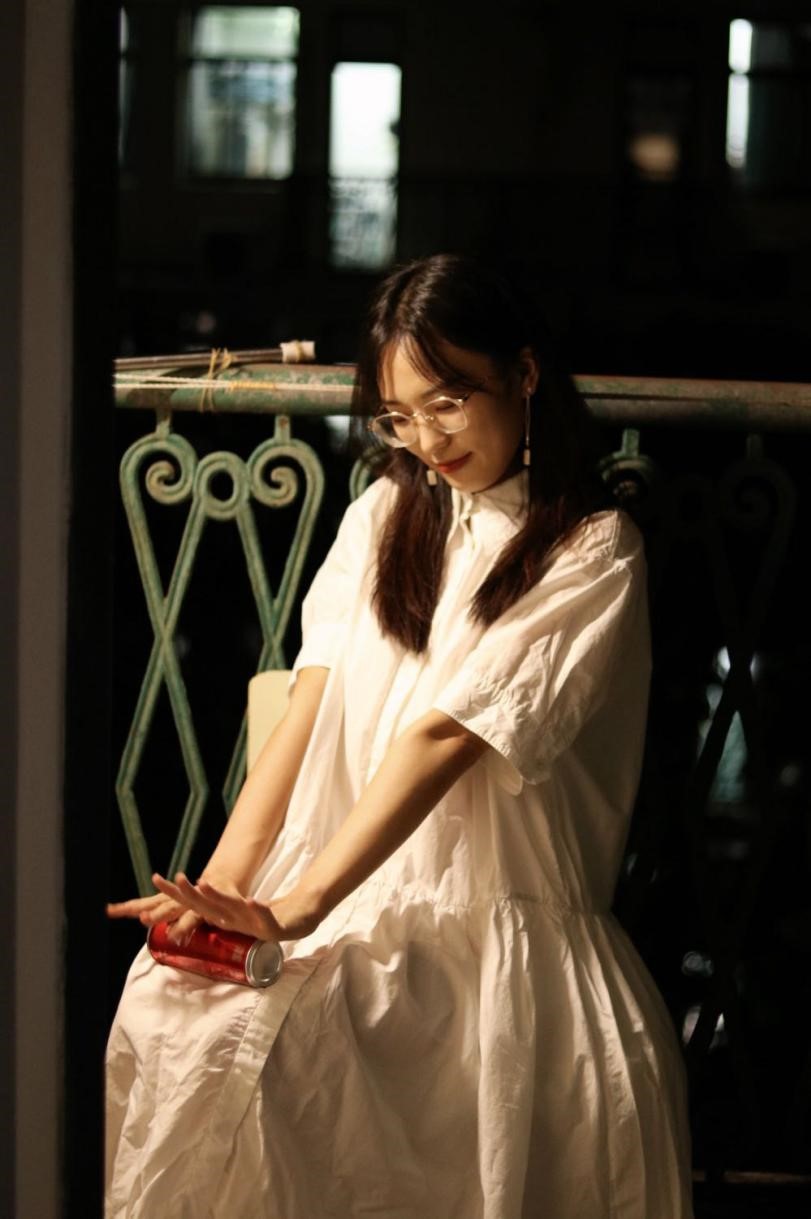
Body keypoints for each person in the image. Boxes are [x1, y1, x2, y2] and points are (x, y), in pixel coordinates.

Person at [106, 253, 695, 1218]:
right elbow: (310, 707)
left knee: (302, 1053)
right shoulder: (384, 513)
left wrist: (299, 905)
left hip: (491, 939)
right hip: (352, 901)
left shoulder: (592, 549)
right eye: (398, 416)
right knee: (172, 1006)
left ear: (525, 374)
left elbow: (445, 737)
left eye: (448, 402)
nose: (426, 439)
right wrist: (219, 888)